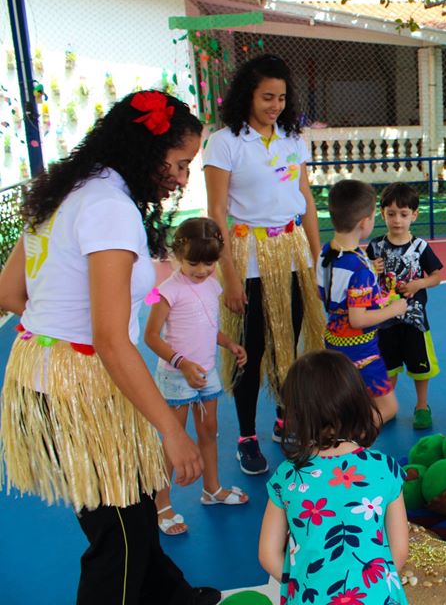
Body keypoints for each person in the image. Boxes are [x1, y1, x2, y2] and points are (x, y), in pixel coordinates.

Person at [0, 91, 220, 604]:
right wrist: (172, 431)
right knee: (117, 538)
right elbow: (108, 338)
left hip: (42, 372)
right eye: (181, 164)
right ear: (148, 151)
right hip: (78, 380)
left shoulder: (63, 190)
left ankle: (172, 597)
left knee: (136, 505)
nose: (184, 178)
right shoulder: (110, 208)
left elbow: (10, 293)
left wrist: (59, 308)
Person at [204, 54, 326, 476]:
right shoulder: (225, 142)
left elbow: (305, 199)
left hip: (291, 251)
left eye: (281, 97)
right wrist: (231, 276)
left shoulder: (293, 138)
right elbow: (217, 212)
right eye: (266, 97)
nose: (275, 105)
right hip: (249, 255)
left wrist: (314, 256)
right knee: (249, 351)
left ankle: (283, 418)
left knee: (288, 342)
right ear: (247, 96)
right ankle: (246, 436)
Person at [258, 350, 409, 605]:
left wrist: (302, 585)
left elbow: (268, 554)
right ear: (357, 402)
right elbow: (399, 550)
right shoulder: (384, 468)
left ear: (297, 415)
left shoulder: (287, 475)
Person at [144, 217, 250, 536]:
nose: (202, 270)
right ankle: (161, 504)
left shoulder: (212, 282)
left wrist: (229, 343)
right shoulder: (167, 290)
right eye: (194, 263)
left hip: (207, 372)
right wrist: (183, 363)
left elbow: (207, 325)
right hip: (178, 376)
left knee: (209, 431)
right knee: (174, 439)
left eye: (209, 262)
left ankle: (212, 489)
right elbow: (151, 336)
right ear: (178, 254)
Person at [318, 179, 408, 424]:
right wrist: (393, 309)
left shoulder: (326, 252)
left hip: (332, 340)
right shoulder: (359, 268)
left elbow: (322, 293)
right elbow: (358, 319)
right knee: (388, 407)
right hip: (361, 348)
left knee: (346, 396)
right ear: (364, 222)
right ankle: (349, 439)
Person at [366, 182, 444, 430]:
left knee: (420, 365)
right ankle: (386, 406)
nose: (397, 220)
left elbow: (437, 276)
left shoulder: (420, 247)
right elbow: (364, 280)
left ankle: (422, 406)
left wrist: (418, 284)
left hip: (415, 319)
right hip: (385, 319)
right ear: (382, 214)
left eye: (403, 214)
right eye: (391, 214)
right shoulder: (375, 246)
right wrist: (370, 269)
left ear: (414, 215)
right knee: (388, 366)